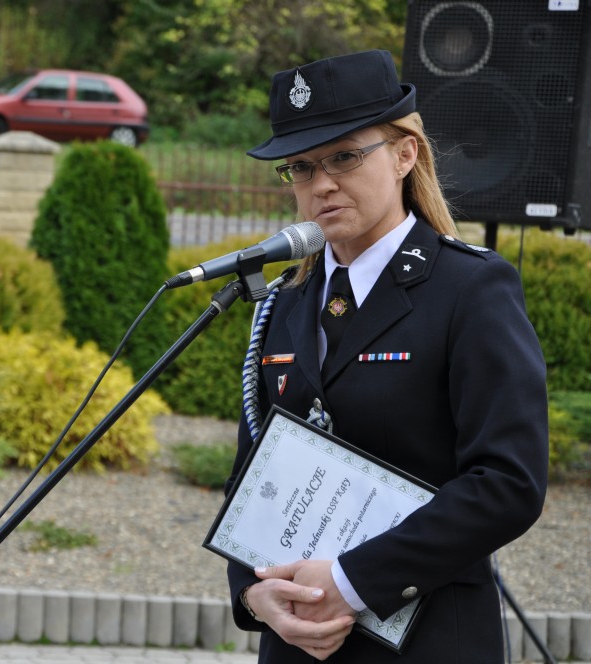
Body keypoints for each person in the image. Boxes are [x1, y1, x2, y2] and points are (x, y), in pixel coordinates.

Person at [225, 50, 548, 662]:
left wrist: (351, 584)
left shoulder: (470, 289)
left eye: (344, 156)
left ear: (405, 154)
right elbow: (252, 478)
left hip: (427, 638)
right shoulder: (284, 304)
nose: (320, 184)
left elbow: (508, 482)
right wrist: (251, 594)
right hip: (299, 644)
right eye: (300, 167)